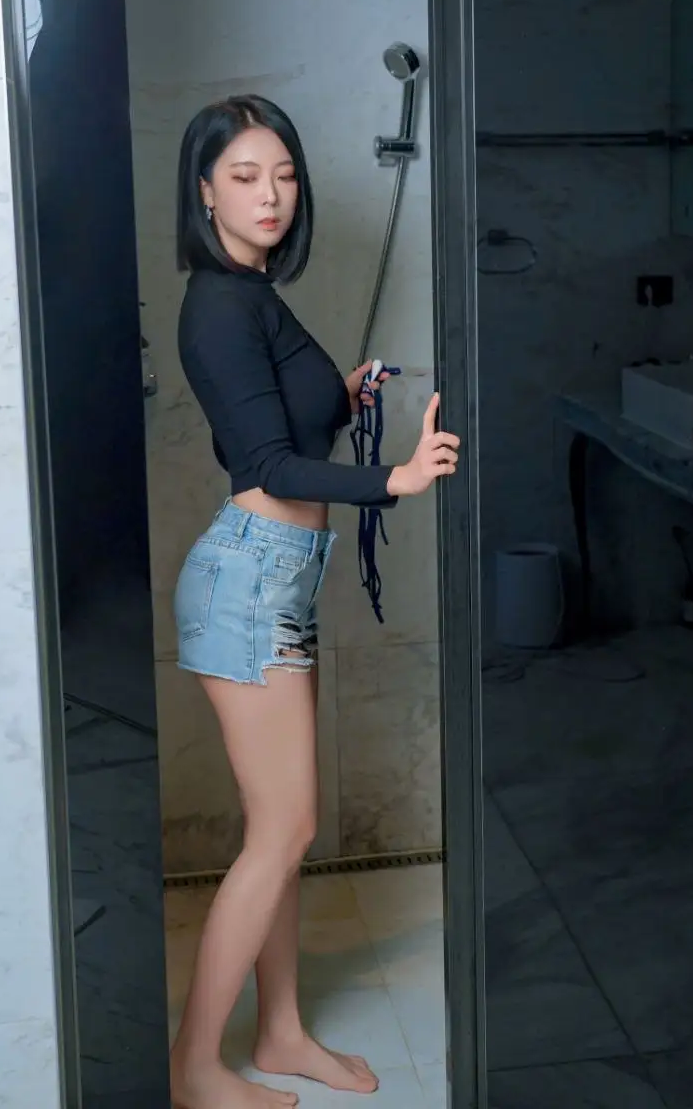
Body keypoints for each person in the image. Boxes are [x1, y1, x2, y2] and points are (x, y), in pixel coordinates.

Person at [169, 94, 460, 1109]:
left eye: (284, 174)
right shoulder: (218, 302)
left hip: (280, 576)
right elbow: (266, 462)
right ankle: (195, 1067)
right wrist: (395, 479)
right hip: (249, 581)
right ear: (203, 191)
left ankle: (281, 1031)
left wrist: (346, 389)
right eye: (244, 176)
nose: (270, 195)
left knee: (280, 827)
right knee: (284, 830)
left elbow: (286, 418)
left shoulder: (252, 293)